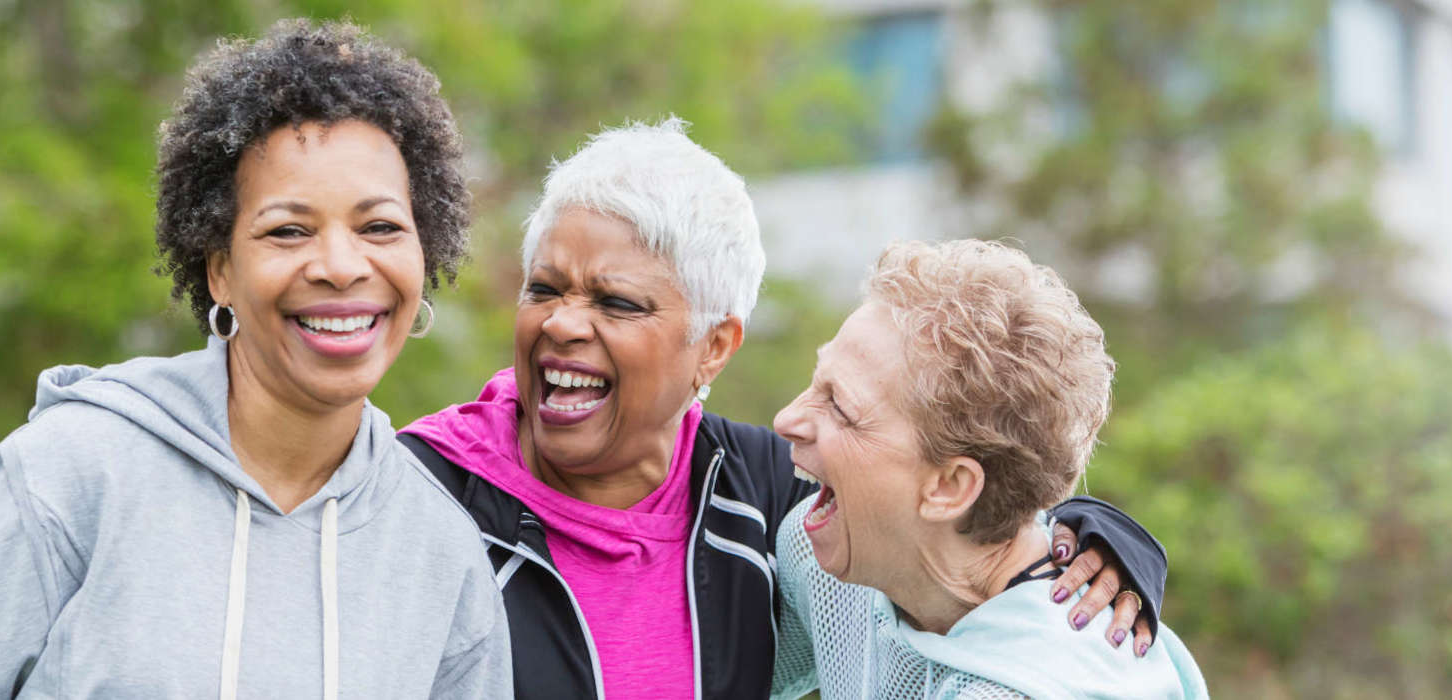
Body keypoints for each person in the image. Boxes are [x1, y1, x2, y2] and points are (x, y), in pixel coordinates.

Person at [399, 120, 1167, 700]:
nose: (790, 421)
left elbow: (988, 510)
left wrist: (1095, 538)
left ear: (714, 347)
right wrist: (1080, 532)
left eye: (617, 302)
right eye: (543, 288)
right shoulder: (413, 496)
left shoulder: (764, 500)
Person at [0, 20, 510, 699]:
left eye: (380, 227)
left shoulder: (442, 554)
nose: (340, 266)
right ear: (220, 271)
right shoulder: (75, 470)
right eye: (288, 230)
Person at [769, 239, 1207, 699]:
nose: (786, 420)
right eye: (817, 382)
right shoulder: (827, 559)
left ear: (950, 487)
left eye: (840, 407)